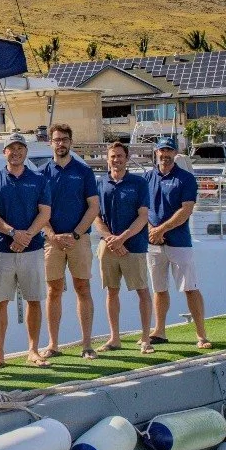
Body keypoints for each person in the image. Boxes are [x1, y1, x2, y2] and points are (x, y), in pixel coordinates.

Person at [0, 132, 53, 368]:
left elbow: (45, 213)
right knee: (0, 302)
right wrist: (14, 233)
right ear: (5, 152)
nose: (16, 152)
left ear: (26, 151)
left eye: (20, 148)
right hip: (2, 251)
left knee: (34, 300)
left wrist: (26, 237)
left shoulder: (38, 179)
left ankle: (33, 350)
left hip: (32, 249)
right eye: (11, 148)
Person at [143, 137, 211, 349]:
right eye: (161, 150)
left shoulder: (186, 179)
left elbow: (186, 209)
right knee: (159, 289)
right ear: (156, 153)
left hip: (179, 242)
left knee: (190, 288)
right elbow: (141, 209)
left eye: (169, 151)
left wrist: (161, 230)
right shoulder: (146, 178)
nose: (165, 154)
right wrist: (150, 231)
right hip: (153, 243)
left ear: (175, 153)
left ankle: (201, 335)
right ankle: (159, 331)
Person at [42, 123, 100, 359]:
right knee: (53, 291)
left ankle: (87, 345)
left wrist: (75, 234)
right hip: (51, 242)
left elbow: (93, 206)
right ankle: (53, 345)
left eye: (65, 139)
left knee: (82, 288)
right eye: (57, 140)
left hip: (80, 240)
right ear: (51, 143)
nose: (61, 143)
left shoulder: (83, 172)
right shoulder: (42, 173)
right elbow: (40, 210)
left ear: (70, 142)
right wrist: (52, 235)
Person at [93, 140, 154, 353]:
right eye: (112, 156)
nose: (116, 160)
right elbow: (96, 217)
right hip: (108, 246)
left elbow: (143, 216)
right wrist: (111, 238)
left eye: (120, 156)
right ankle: (114, 338)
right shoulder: (100, 184)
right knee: (111, 291)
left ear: (126, 158)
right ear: (107, 159)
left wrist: (123, 238)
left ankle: (146, 338)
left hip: (134, 246)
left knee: (142, 290)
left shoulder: (139, 183)